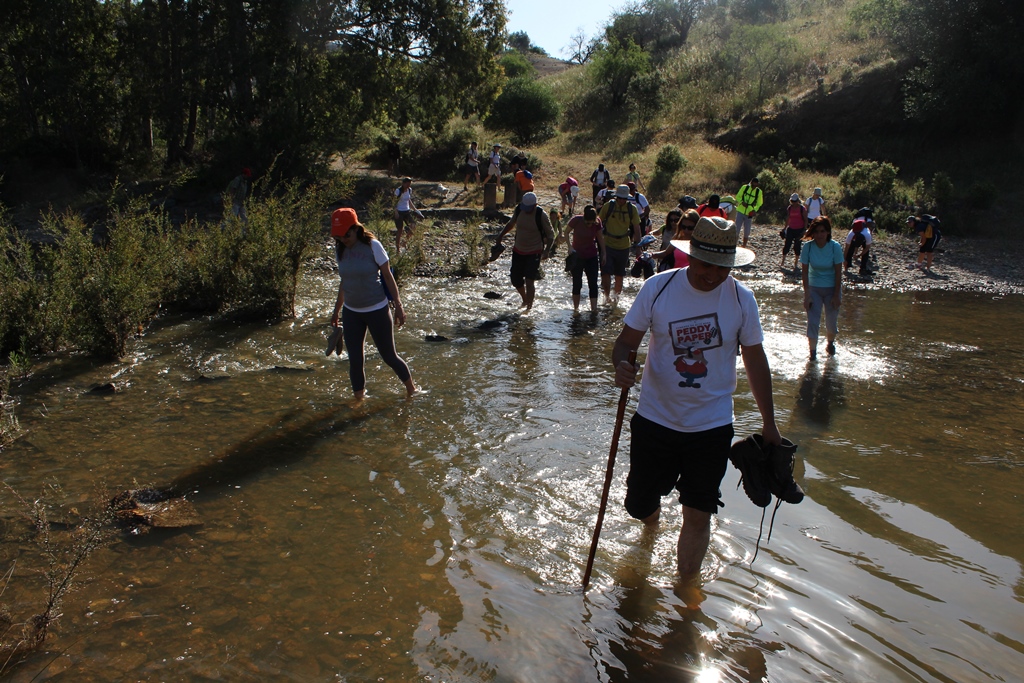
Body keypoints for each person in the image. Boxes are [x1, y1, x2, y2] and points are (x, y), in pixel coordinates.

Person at [611, 215, 782, 580]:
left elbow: (755, 359)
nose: (713, 275)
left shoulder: (741, 298)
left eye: (723, 267)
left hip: (711, 425)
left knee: (699, 510)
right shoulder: (657, 289)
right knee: (639, 504)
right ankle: (651, 524)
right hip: (655, 419)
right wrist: (622, 367)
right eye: (706, 265)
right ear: (691, 255)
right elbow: (626, 342)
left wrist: (770, 424)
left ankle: (685, 595)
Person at [328, 208, 416, 399]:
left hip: (377, 309)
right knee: (355, 360)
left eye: (346, 234)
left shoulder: (372, 246)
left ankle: (412, 391)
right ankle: (358, 402)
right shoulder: (340, 249)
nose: (343, 239)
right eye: (339, 236)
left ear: (356, 228)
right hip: (352, 312)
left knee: (389, 357)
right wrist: (337, 311)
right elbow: (344, 281)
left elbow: (387, 275)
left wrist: (399, 306)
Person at [494, 192, 554, 311]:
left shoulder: (541, 215)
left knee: (529, 280)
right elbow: (511, 224)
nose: (526, 211)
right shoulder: (519, 210)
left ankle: (528, 309)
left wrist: (547, 251)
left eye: (529, 208)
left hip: (534, 251)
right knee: (515, 279)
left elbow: (551, 235)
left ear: (535, 205)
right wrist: (500, 235)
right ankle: (525, 299)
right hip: (518, 249)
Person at [800, 216, 844, 360]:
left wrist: (836, 295)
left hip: (832, 288)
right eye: (817, 231)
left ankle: (830, 342)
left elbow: (839, 272)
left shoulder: (835, 247)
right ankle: (812, 354)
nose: (820, 235)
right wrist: (807, 296)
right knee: (813, 322)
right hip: (814, 288)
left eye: (823, 231)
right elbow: (804, 272)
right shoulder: (808, 247)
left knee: (831, 324)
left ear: (828, 232)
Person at [598, 185, 641, 303]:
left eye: (624, 198)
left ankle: (616, 299)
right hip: (607, 244)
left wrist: (638, 247)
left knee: (619, 274)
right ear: (616, 197)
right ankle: (606, 298)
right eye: (620, 198)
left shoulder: (632, 209)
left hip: (623, 246)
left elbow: (637, 228)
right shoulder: (608, 206)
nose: (622, 200)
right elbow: (598, 223)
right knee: (605, 272)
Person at [565, 205, 606, 313]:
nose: (589, 225)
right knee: (577, 283)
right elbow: (566, 232)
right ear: (583, 218)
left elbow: (600, 238)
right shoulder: (576, 220)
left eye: (591, 223)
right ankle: (576, 309)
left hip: (591, 256)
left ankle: (594, 309)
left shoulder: (597, 222)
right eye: (587, 223)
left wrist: (604, 253)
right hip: (577, 256)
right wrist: (569, 246)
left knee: (593, 283)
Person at [393, 177, 422, 255]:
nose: (408, 185)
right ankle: (397, 248)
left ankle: (404, 242)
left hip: (406, 211)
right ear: (403, 183)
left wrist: (415, 210)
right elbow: (394, 202)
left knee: (413, 226)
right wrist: (396, 212)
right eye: (407, 184)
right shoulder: (398, 191)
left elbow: (409, 200)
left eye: (409, 184)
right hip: (399, 211)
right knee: (400, 230)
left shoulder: (409, 190)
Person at [781, 193, 808, 269]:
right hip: (791, 228)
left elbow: (806, 220)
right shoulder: (790, 208)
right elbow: (788, 218)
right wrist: (785, 228)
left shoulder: (802, 209)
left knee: (797, 246)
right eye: (792, 201)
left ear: (798, 201)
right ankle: (783, 261)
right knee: (787, 245)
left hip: (799, 229)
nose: (794, 203)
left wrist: (805, 230)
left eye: (795, 201)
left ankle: (795, 263)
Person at [735, 177, 763, 248]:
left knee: (747, 231)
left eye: (755, 185)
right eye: (753, 184)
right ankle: (734, 245)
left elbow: (759, 203)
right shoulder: (744, 187)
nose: (754, 186)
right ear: (751, 183)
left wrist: (754, 210)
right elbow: (738, 197)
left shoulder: (759, 192)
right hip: (740, 211)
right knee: (736, 229)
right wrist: (742, 202)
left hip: (749, 213)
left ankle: (744, 245)